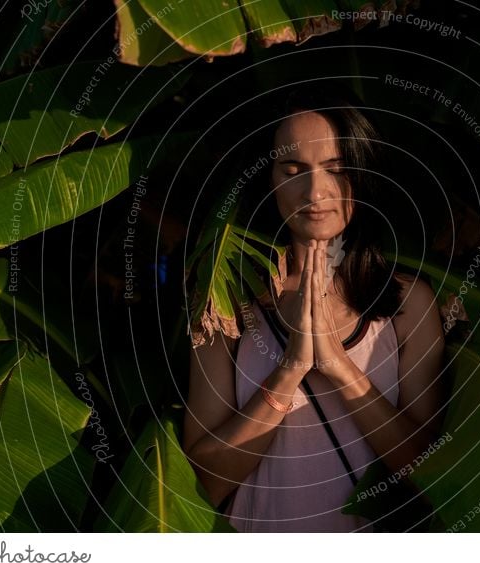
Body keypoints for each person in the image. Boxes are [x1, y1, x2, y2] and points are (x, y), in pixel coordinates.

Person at [182, 86, 445, 532]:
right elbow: (204, 482)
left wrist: (338, 366)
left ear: (360, 174)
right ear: (270, 180)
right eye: (293, 169)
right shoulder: (224, 302)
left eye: (335, 169)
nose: (315, 190)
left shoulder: (407, 303)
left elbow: (426, 468)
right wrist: (290, 369)